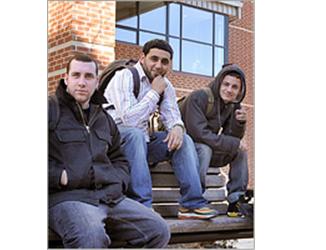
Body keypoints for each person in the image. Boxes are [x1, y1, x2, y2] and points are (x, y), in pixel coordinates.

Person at [48, 53, 170, 248]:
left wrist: (118, 181)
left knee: (158, 230)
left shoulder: (104, 118)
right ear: (66, 78)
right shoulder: (50, 109)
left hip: (109, 198)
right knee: (91, 237)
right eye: (76, 75)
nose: (81, 82)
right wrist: (59, 176)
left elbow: (119, 159)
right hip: (68, 198)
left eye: (88, 77)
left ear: (97, 81)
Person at [102, 39, 217, 220]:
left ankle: (191, 204)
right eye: (153, 59)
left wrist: (178, 128)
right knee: (135, 134)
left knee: (184, 139)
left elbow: (172, 116)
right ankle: (143, 206)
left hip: (143, 145)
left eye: (164, 61)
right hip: (115, 143)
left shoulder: (166, 85)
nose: (159, 65)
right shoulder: (124, 76)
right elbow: (129, 120)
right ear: (143, 58)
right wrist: (154, 93)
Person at [179, 63, 249, 217]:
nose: (229, 90)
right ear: (219, 83)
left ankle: (236, 201)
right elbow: (199, 134)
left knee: (240, 150)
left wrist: (239, 123)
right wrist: (233, 143)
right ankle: (193, 201)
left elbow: (232, 139)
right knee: (204, 148)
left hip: (207, 153)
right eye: (226, 84)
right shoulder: (199, 97)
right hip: (183, 152)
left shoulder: (231, 105)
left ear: (240, 91)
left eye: (235, 87)